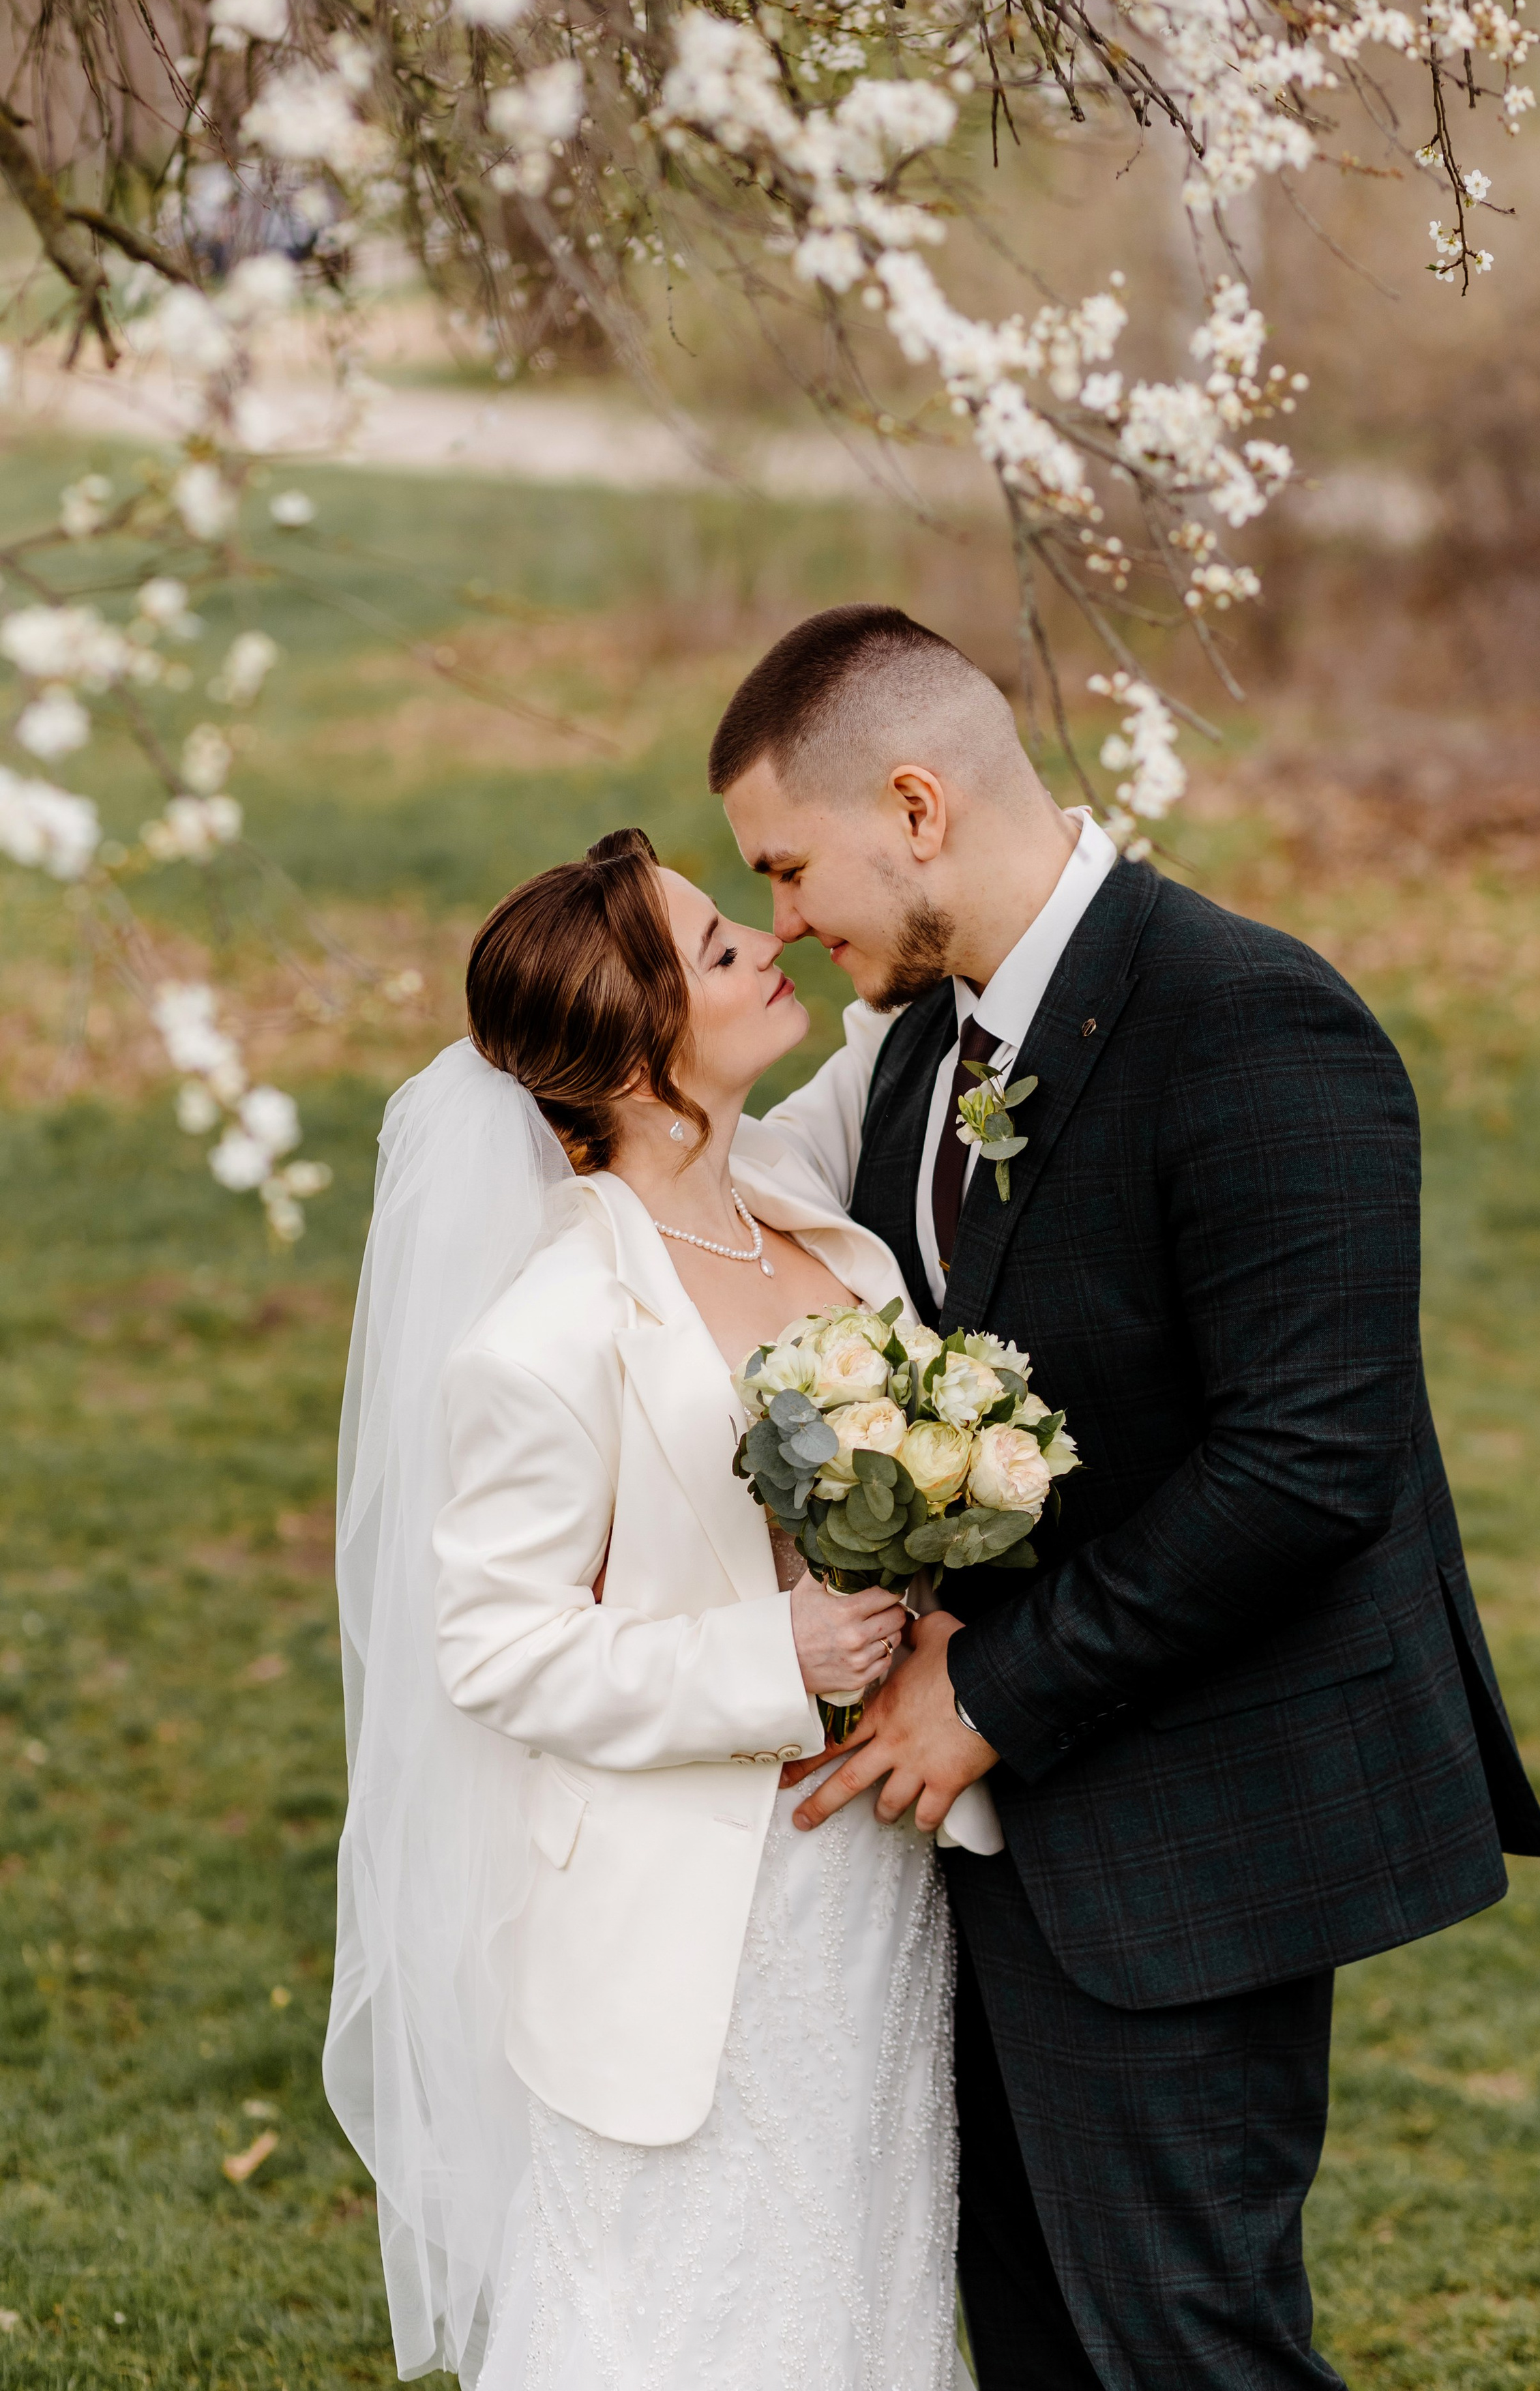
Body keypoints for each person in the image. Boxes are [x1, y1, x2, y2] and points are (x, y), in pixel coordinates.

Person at [712, 604, 1540, 2391]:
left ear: (919, 807)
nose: (784, 919)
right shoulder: (916, 1054)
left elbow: (1310, 1463)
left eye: (789, 867)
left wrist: (992, 1695)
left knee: (1188, 2355)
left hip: (1194, 1822)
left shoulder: (1254, 1022)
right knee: (1033, 2348)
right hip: (983, 1853)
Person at [323, 828, 975, 2391]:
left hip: (868, 1888)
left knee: (861, 2276)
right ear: (631, 1056)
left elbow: (908, 1018)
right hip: (699, 1911)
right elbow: (493, 1643)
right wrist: (775, 1655)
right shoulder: (550, 1326)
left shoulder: (812, 1229)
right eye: (715, 948)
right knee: (682, 2315)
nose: (765, 945)